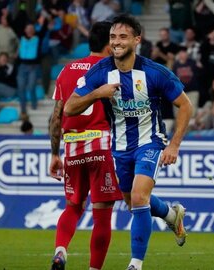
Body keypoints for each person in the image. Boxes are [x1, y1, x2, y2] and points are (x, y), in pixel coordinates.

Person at [64, 14, 193, 270]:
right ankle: (170, 214)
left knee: (138, 196)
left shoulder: (155, 73)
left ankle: (135, 264)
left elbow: (185, 105)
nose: (116, 42)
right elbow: (69, 107)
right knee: (133, 200)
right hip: (120, 147)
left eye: (123, 37)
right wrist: (97, 93)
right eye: (113, 37)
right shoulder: (100, 72)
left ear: (137, 40)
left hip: (151, 142)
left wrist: (174, 144)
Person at [49, 21, 123, 270]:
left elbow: (57, 115)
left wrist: (54, 154)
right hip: (100, 144)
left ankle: (60, 251)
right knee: (102, 213)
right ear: (108, 43)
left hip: (71, 146)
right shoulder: (111, 69)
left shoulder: (67, 69)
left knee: (72, 207)